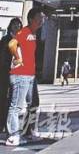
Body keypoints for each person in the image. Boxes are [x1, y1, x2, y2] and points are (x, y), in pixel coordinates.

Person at [5, 8, 44, 147]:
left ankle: (29, 131)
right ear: (31, 19)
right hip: (20, 75)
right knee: (16, 106)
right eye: (39, 18)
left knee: (33, 104)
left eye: (43, 18)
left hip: (30, 76)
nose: (42, 20)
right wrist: (17, 57)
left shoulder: (33, 34)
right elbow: (11, 44)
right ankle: (13, 136)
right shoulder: (24, 32)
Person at [0, 19, 22, 134]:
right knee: (4, 99)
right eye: (14, 25)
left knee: (14, 101)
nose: (17, 27)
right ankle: (2, 124)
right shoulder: (5, 40)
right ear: (10, 26)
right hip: (5, 74)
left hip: (18, 74)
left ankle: (9, 126)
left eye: (19, 25)